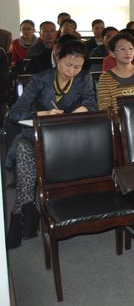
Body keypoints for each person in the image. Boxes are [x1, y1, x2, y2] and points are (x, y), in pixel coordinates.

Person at [6, 39, 97, 248]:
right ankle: (23, 209)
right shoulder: (40, 79)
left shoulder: (84, 78)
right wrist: (43, 114)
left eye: (77, 66)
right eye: (68, 65)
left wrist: (81, 110)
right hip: (40, 135)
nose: (72, 71)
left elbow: (92, 103)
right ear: (58, 58)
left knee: (25, 153)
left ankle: (21, 214)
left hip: (69, 137)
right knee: (24, 148)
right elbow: (15, 113)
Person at [96, 33, 134, 111]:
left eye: (130, 48)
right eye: (122, 49)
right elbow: (105, 108)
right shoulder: (105, 78)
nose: (128, 52)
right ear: (112, 53)